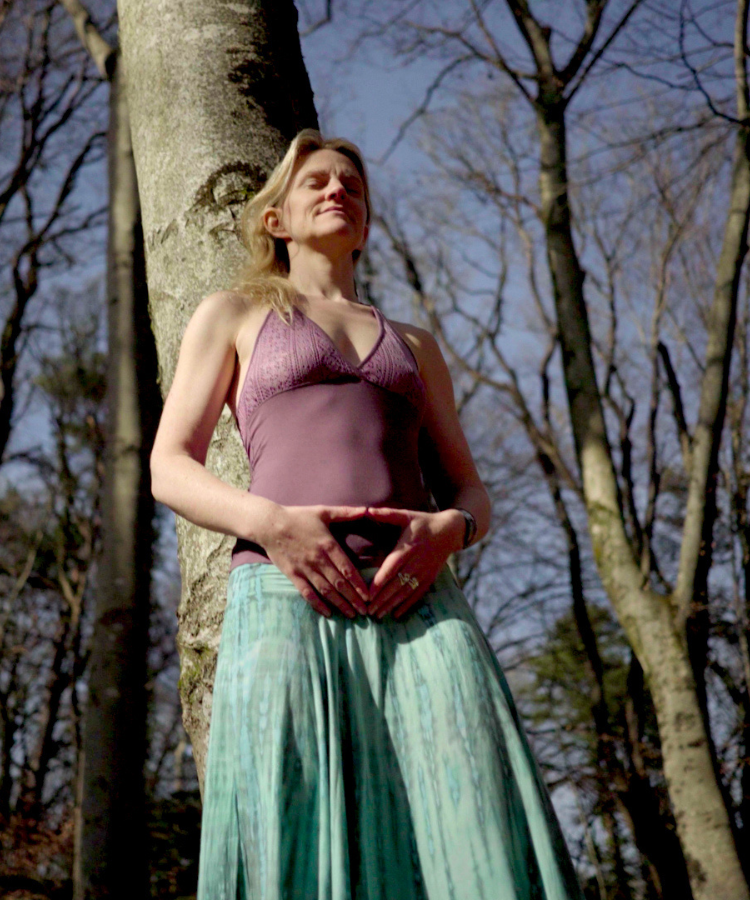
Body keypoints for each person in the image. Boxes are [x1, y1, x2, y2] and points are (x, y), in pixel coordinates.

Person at [150, 129, 584, 899]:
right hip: (285, 593)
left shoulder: (416, 344)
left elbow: (471, 491)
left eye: (352, 184)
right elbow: (169, 468)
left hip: (422, 603)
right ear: (276, 219)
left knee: (476, 815)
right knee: (296, 826)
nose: (337, 190)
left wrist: (450, 532)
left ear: (367, 224)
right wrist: (273, 525)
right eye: (316, 181)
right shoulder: (232, 314)